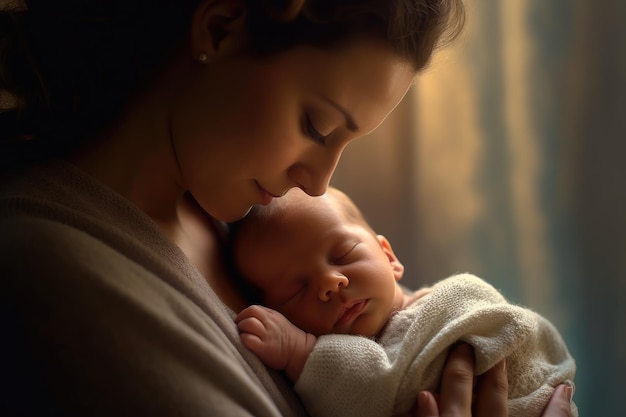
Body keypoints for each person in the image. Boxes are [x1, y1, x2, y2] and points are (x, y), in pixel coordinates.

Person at [0, 0, 574, 416]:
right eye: (316, 125)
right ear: (221, 28)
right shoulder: (61, 273)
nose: (319, 182)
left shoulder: (236, 219)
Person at [231, 186, 578, 417]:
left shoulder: (446, 307)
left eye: (344, 253)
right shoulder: (359, 358)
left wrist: (301, 351)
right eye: (295, 290)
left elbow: (378, 384)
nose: (330, 283)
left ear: (389, 256)